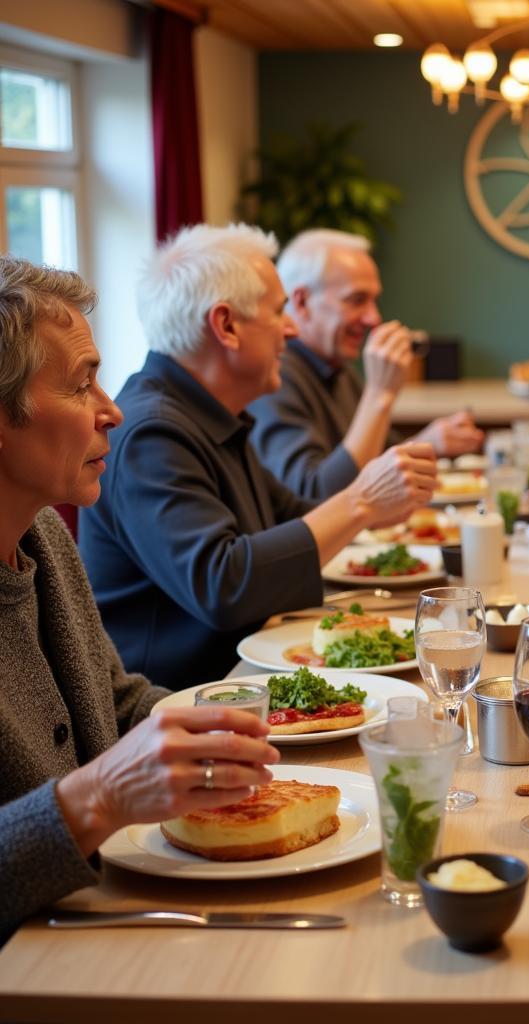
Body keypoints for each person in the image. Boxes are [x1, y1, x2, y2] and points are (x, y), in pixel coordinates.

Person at [0, 256, 280, 943]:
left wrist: (253, 720)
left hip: (103, 910)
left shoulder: (43, 535)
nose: (111, 410)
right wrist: (97, 797)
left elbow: (116, 702)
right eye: (81, 385)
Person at [79, 224, 437, 689]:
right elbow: (223, 584)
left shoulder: (207, 411)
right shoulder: (153, 431)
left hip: (246, 677)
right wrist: (361, 503)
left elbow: (293, 516)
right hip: (183, 705)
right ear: (226, 325)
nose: (291, 329)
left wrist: (375, 505)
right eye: (278, 311)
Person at [248, 229, 483, 500]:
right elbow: (312, 496)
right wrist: (379, 394)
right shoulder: (276, 377)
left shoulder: (339, 369)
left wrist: (430, 442)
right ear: (302, 302)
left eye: (374, 300)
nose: (374, 317)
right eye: (357, 300)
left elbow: (376, 461)